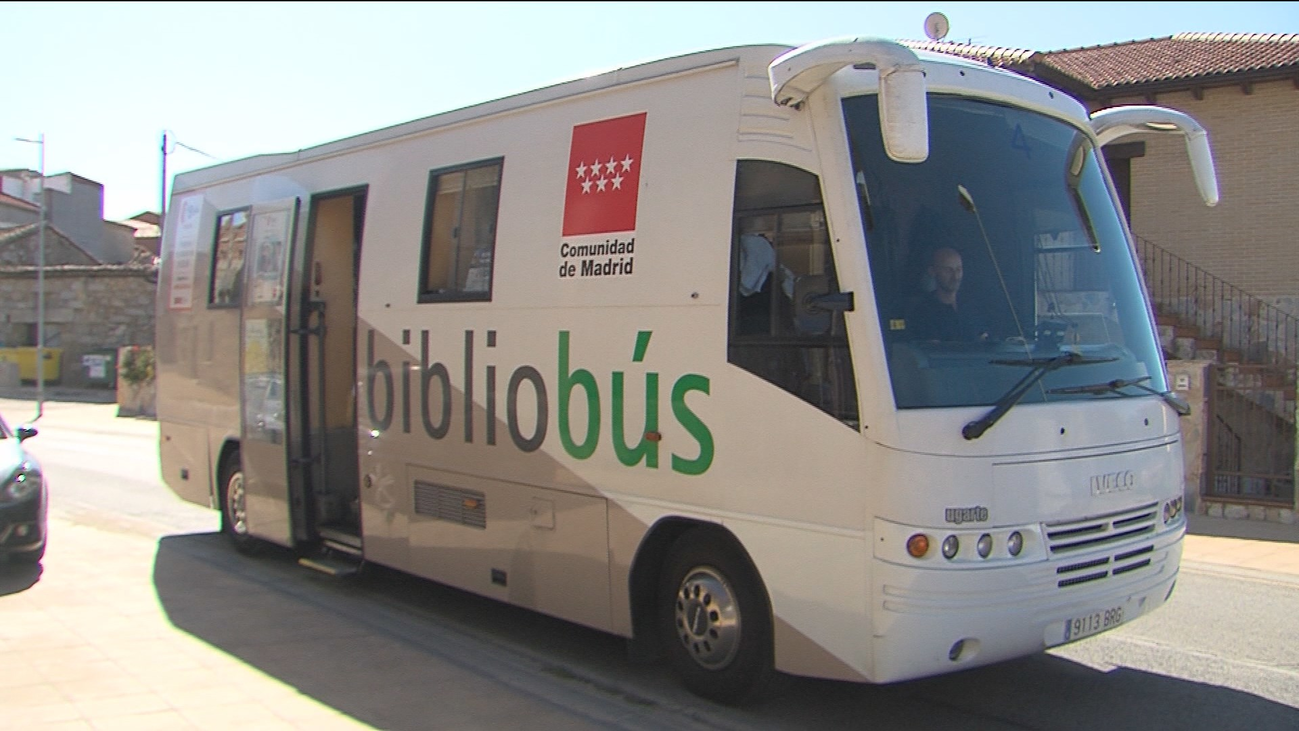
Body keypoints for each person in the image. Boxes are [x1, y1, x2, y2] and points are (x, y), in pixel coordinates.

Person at [906, 246, 989, 342]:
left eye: (958, 269)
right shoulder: (923, 313)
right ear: (932, 271)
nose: (955, 276)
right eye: (948, 270)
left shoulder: (973, 308)